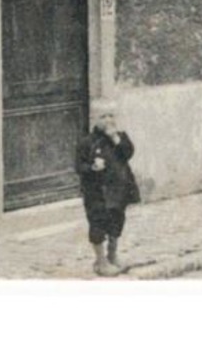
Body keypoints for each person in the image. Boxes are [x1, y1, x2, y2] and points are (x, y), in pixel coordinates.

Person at [75, 104, 139, 276]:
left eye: (111, 115)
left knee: (116, 221)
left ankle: (112, 256)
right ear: (95, 120)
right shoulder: (87, 142)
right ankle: (100, 261)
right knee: (98, 224)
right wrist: (92, 167)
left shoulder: (121, 137)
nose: (108, 120)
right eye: (103, 116)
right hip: (96, 191)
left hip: (119, 189)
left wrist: (116, 139)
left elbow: (128, 153)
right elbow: (78, 166)